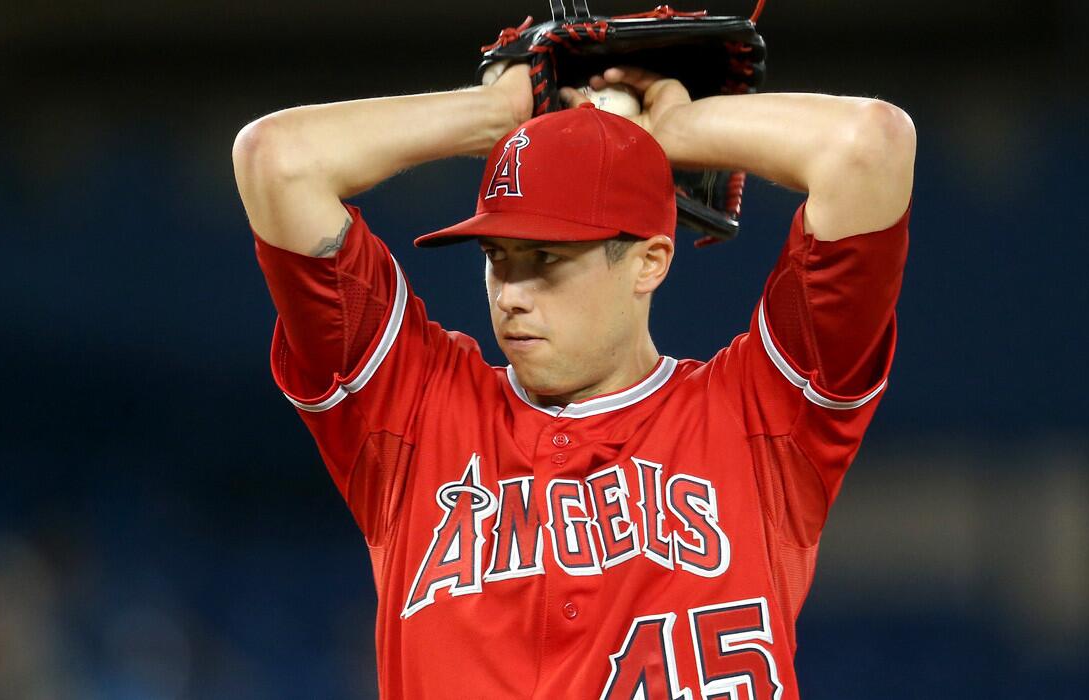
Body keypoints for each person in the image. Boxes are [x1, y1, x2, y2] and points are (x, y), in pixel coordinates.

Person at [232, 62, 913, 699]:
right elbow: (277, 160)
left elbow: (870, 147)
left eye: (546, 258)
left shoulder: (762, 417)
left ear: (649, 262)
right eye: (499, 257)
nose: (512, 294)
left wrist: (678, 132)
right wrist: (491, 114)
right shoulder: (412, 411)